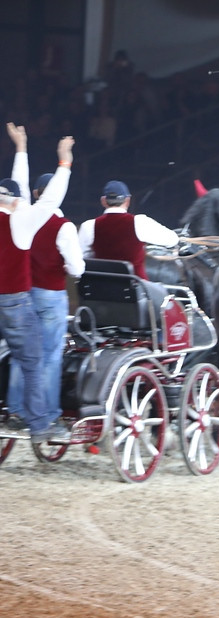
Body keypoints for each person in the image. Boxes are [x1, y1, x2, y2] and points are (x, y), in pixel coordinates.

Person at [0, 127, 75, 444]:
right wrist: (64, 163)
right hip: (15, 302)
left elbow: (20, 188)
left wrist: (21, 148)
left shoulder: (16, 211)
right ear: (18, 202)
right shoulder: (22, 220)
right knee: (32, 362)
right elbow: (50, 198)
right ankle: (41, 424)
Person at [77, 179, 179, 279]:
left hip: (101, 288)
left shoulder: (88, 226)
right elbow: (172, 240)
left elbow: (80, 260)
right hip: (135, 290)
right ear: (128, 200)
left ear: (103, 201)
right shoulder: (140, 222)